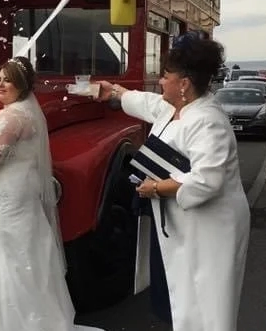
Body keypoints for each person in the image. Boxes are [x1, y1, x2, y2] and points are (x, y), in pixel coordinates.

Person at [96, 33, 249, 331]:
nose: (160, 82)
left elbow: (207, 181)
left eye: (166, 76)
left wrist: (153, 188)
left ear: (184, 84)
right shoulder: (174, 108)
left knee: (207, 302)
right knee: (182, 295)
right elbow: (147, 102)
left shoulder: (208, 121)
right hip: (180, 224)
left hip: (211, 228)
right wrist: (114, 91)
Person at [0, 56, 104, 331]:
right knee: (22, 255)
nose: (1, 84)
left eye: (9, 80)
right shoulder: (27, 114)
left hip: (5, 198)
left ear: (22, 86)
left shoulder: (12, 118)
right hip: (19, 195)